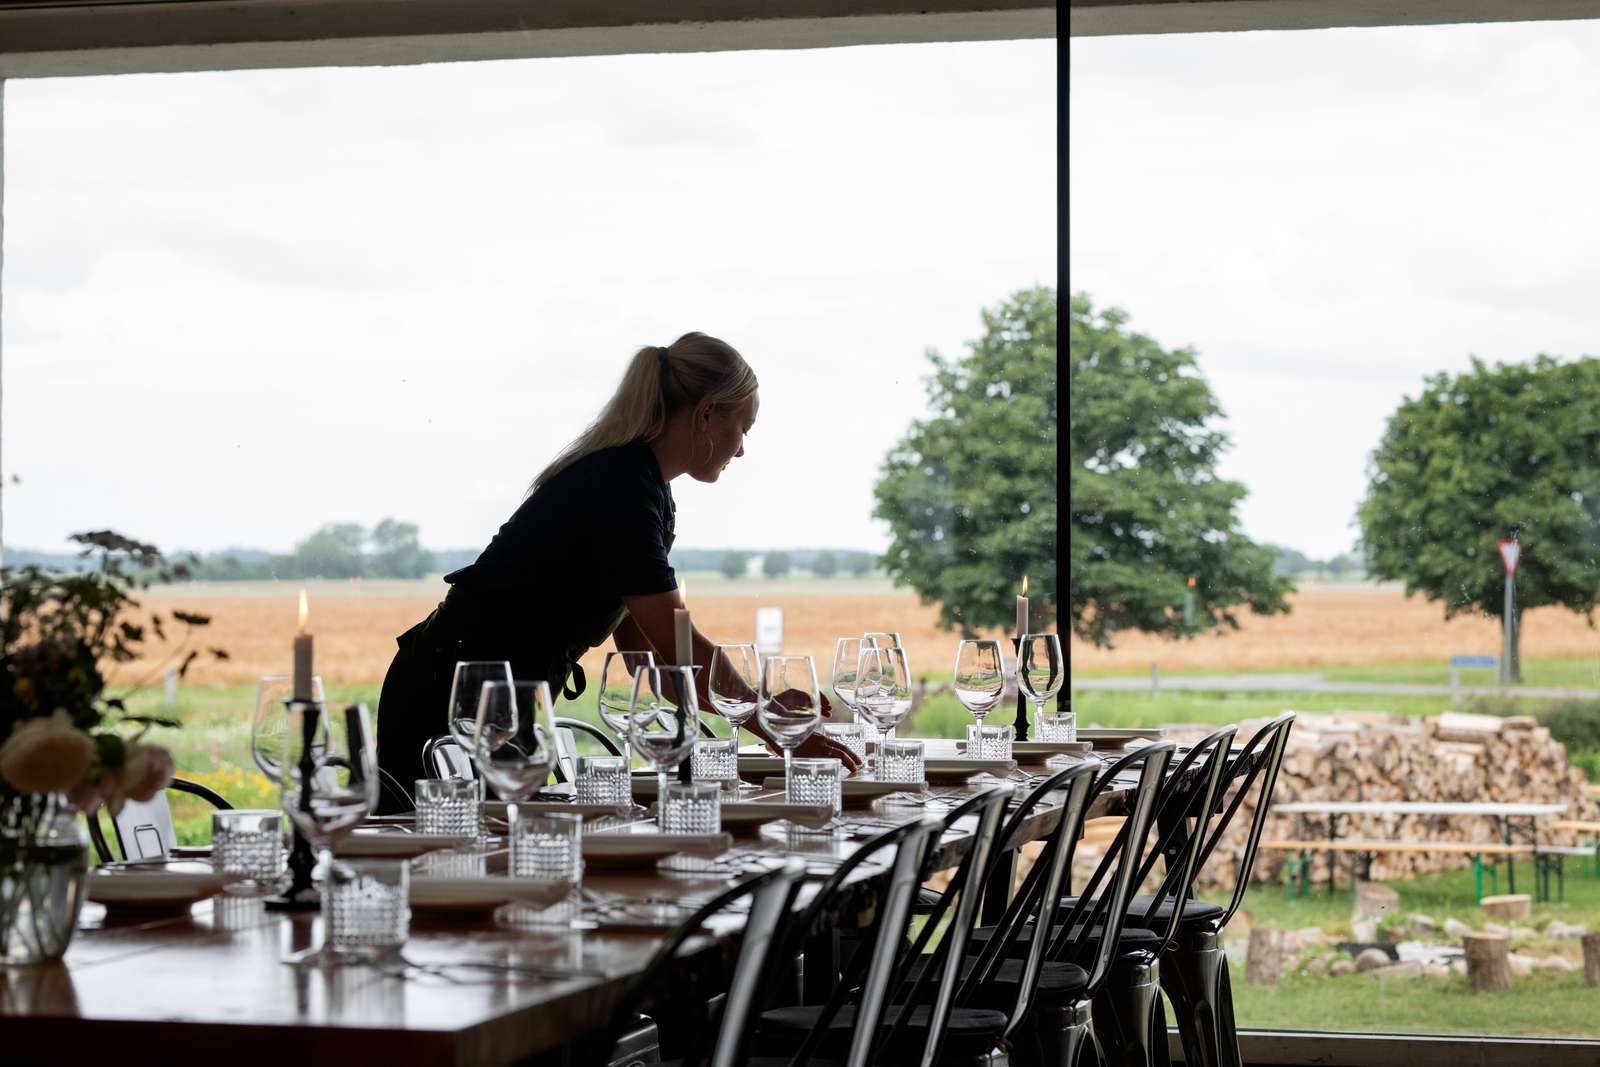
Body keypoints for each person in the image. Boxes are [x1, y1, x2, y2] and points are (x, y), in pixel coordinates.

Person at [375, 332, 861, 812]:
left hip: (492, 701)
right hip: (451, 705)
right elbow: (681, 647)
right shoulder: (620, 489)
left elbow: (664, 672)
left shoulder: (641, 487)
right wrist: (775, 726)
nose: (740, 451)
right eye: (745, 428)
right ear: (708, 413)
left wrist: (765, 706)